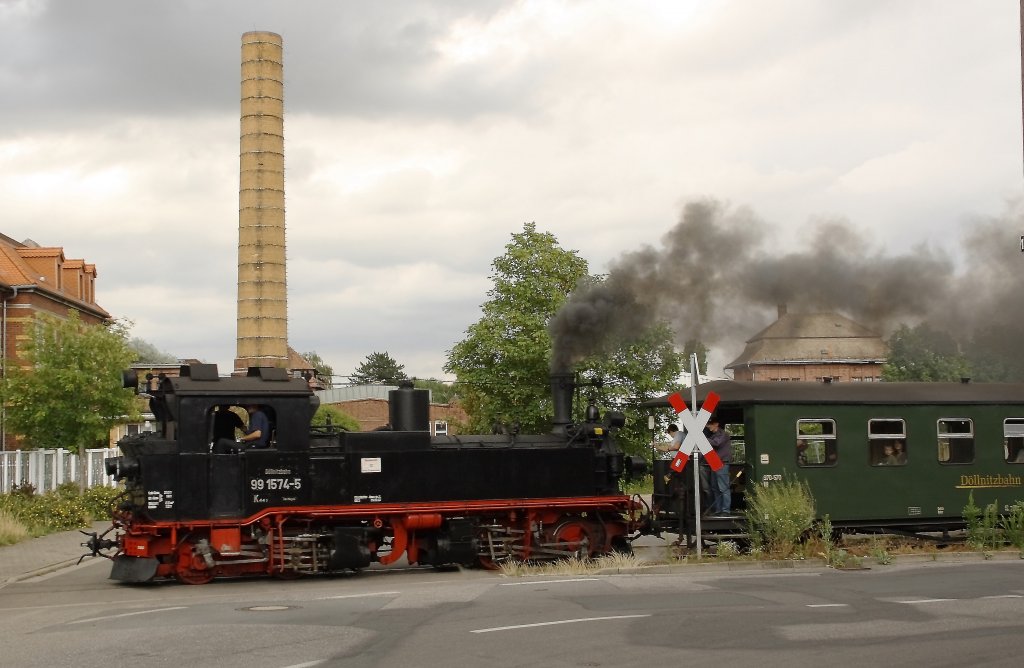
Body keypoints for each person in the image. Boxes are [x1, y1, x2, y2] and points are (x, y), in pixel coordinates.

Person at [706, 417, 732, 515]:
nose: (708, 426)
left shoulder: (723, 434)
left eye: (710, 424)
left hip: (722, 463)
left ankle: (725, 510)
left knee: (723, 487)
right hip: (714, 462)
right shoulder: (713, 436)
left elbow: (717, 443)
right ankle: (718, 509)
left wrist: (702, 438)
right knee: (715, 487)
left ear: (716, 424)